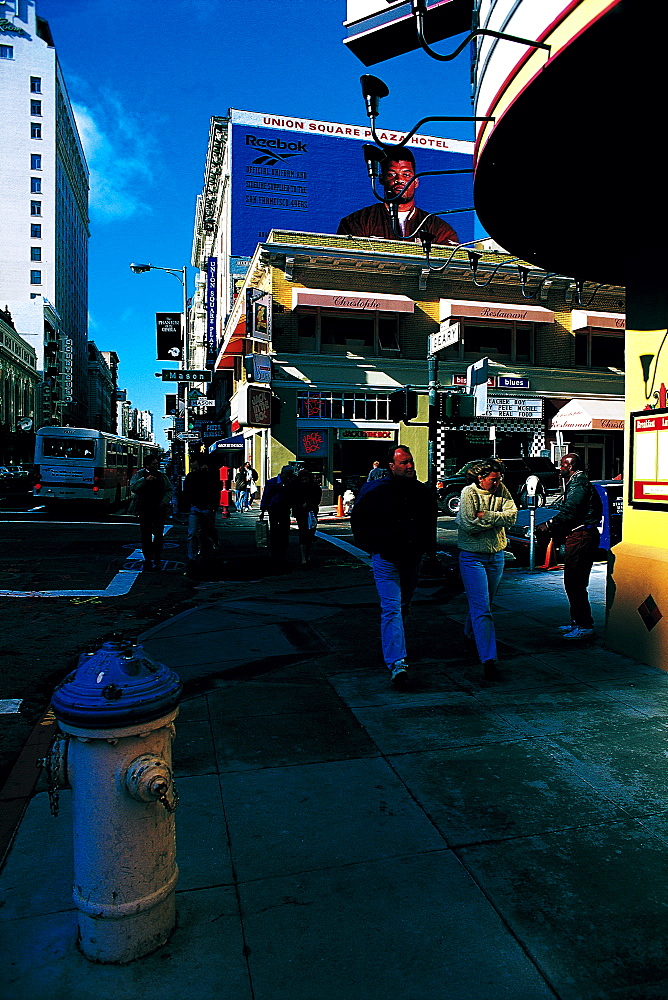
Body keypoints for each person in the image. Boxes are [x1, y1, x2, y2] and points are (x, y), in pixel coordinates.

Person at [351, 444, 438, 687]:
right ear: (392, 466)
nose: (409, 466)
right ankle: (397, 662)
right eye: (404, 462)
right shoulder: (377, 490)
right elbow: (359, 522)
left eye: (410, 461)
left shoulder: (422, 492)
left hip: (411, 557)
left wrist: (428, 551)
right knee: (392, 608)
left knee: (402, 606)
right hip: (387, 558)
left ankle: (396, 649)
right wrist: (374, 547)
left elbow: (429, 524)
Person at [457, 459, 517, 682]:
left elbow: (512, 516)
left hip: (496, 555)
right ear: (480, 478)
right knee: (482, 608)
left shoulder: (501, 489)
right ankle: (488, 659)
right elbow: (467, 524)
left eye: (499, 478)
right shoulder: (468, 493)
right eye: (493, 478)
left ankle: (469, 634)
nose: (498, 481)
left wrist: (488, 516)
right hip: (472, 557)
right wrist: (497, 521)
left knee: (484, 603)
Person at [337, 146, 459, 245]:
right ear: (381, 179)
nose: (399, 180)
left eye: (406, 175)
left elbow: (452, 268)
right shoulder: (358, 221)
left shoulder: (438, 228)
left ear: (416, 181)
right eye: (391, 174)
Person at [538, 453, 602, 640]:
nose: (560, 469)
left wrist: (548, 525)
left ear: (571, 466)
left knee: (576, 581)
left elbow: (571, 511)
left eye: (563, 465)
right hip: (579, 535)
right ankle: (577, 621)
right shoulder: (576, 482)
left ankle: (584, 625)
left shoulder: (579, 484)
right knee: (573, 581)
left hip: (582, 536)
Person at [129, 457, 173, 571]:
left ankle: (157, 556)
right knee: (146, 534)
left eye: (157, 464)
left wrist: (164, 502)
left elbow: (169, 489)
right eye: (153, 464)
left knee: (159, 534)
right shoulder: (140, 475)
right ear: (147, 465)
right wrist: (145, 480)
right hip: (144, 508)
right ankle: (147, 557)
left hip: (159, 508)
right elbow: (133, 488)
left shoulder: (162, 476)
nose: (156, 466)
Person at [183, 458, 221, 560]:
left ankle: (200, 554)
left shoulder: (209, 476)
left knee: (203, 532)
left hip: (204, 507)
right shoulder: (192, 476)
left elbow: (216, 490)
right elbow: (186, 491)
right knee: (195, 532)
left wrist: (214, 506)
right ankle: (195, 555)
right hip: (197, 506)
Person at [259, 465, 297, 566]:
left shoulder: (290, 482)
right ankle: (275, 555)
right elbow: (266, 495)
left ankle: (282, 555)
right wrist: (263, 509)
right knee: (275, 532)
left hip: (285, 509)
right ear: (283, 473)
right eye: (288, 475)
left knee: (285, 533)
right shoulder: (273, 482)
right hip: (274, 509)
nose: (289, 477)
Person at [292, 469, 322, 565]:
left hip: (311, 512)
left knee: (309, 534)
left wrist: (309, 504)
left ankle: (306, 555)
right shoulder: (297, 487)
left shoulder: (314, 488)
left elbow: (317, 499)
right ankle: (304, 557)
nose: (304, 481)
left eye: (306, 479)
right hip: (301, 513)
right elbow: (293, 499)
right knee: (303, 533)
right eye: (303, 480)